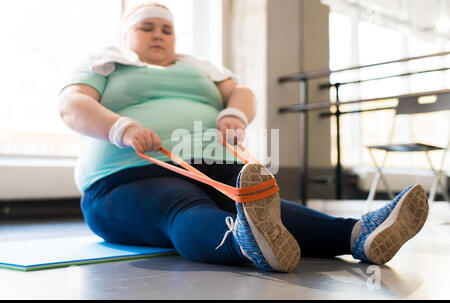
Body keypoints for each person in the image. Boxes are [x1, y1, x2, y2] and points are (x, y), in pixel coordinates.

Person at [58, 2, 429, 273]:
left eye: (166, 29)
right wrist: (122, 127)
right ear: (126, 37)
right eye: (147, 27)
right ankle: (243, 242)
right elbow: (72, 104)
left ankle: (357, 235)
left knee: (257, 200)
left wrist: (234, 114)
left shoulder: (199, 69)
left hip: (208, 163)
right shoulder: (106, 63)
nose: (158, 34)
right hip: (127, 176)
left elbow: (242, 93)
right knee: (183, 204)